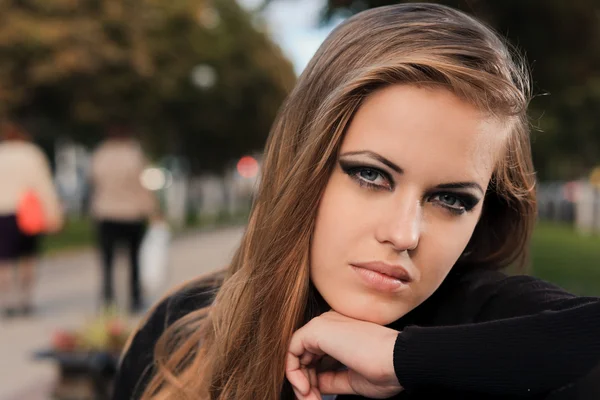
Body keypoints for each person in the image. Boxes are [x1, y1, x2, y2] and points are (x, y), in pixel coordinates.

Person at [112, 4, 600, 399]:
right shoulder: (185, 332)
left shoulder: (497, 321)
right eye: (371, 175)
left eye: (450, 199)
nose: (404, 233)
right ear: (304, 167)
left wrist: (407, 360)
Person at [89, 122, 157, 313]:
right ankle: (134, 298)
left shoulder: (100, 155)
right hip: (132, 213)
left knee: (107, 261)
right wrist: (152, 210)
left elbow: (93, 181)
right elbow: (143, 184)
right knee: (134, 259)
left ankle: (108, 299)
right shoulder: (134, 154)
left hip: (106, 212)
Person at [0, 121, 63, 316]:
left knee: (5, 259)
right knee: (28, 256)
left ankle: (7, 300)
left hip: (3, 211)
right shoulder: (32, 154)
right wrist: (53, 213)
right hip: (27, 211)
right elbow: (43, 184)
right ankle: (25, 298)